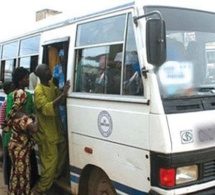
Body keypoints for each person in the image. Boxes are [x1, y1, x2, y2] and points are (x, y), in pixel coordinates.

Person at [32, 63, 70, 194]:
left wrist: (63, 93)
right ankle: (41, 188)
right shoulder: (39, 90)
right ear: (41, 74)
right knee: (50, 161)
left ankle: (54, 178)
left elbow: (58, 95)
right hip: (47, 131)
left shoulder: (51, 85)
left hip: (56, 127)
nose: (50, 73)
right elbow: (46, 108)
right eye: (47, 71)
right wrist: (62, 95)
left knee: (63, 150)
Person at [3, 67, 38, 189]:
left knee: (16, 170)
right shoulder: (19, 96)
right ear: (19, 81)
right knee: (21, 171)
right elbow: (11, 116)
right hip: (20, 137)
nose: (28, 80)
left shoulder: (22, 95)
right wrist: (28, 119)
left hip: (17, 136)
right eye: (25, 78)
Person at [0, 81, 14, 185]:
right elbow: (2, 122)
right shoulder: (7, 102)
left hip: (6, 132)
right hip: (6, 133)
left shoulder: (7, 101)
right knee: (7, 158)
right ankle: (7, 181)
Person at [52, 49, 67, 131]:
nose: (62, 59)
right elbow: (54, 81)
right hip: (60, 93)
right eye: (61, 57)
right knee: (62, 116)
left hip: (68, 92)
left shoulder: (69, 67)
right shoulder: (57, 68)